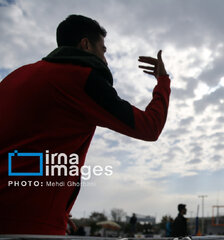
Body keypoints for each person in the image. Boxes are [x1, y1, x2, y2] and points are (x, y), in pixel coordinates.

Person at [0, 15, 170, 234]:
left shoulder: (14, 77)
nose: (106, 61)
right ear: (85, 44)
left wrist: (59, 211)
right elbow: (150, 127)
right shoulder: (83, 79)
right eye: (103, 50)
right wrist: (163, 81)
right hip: (29, 225)